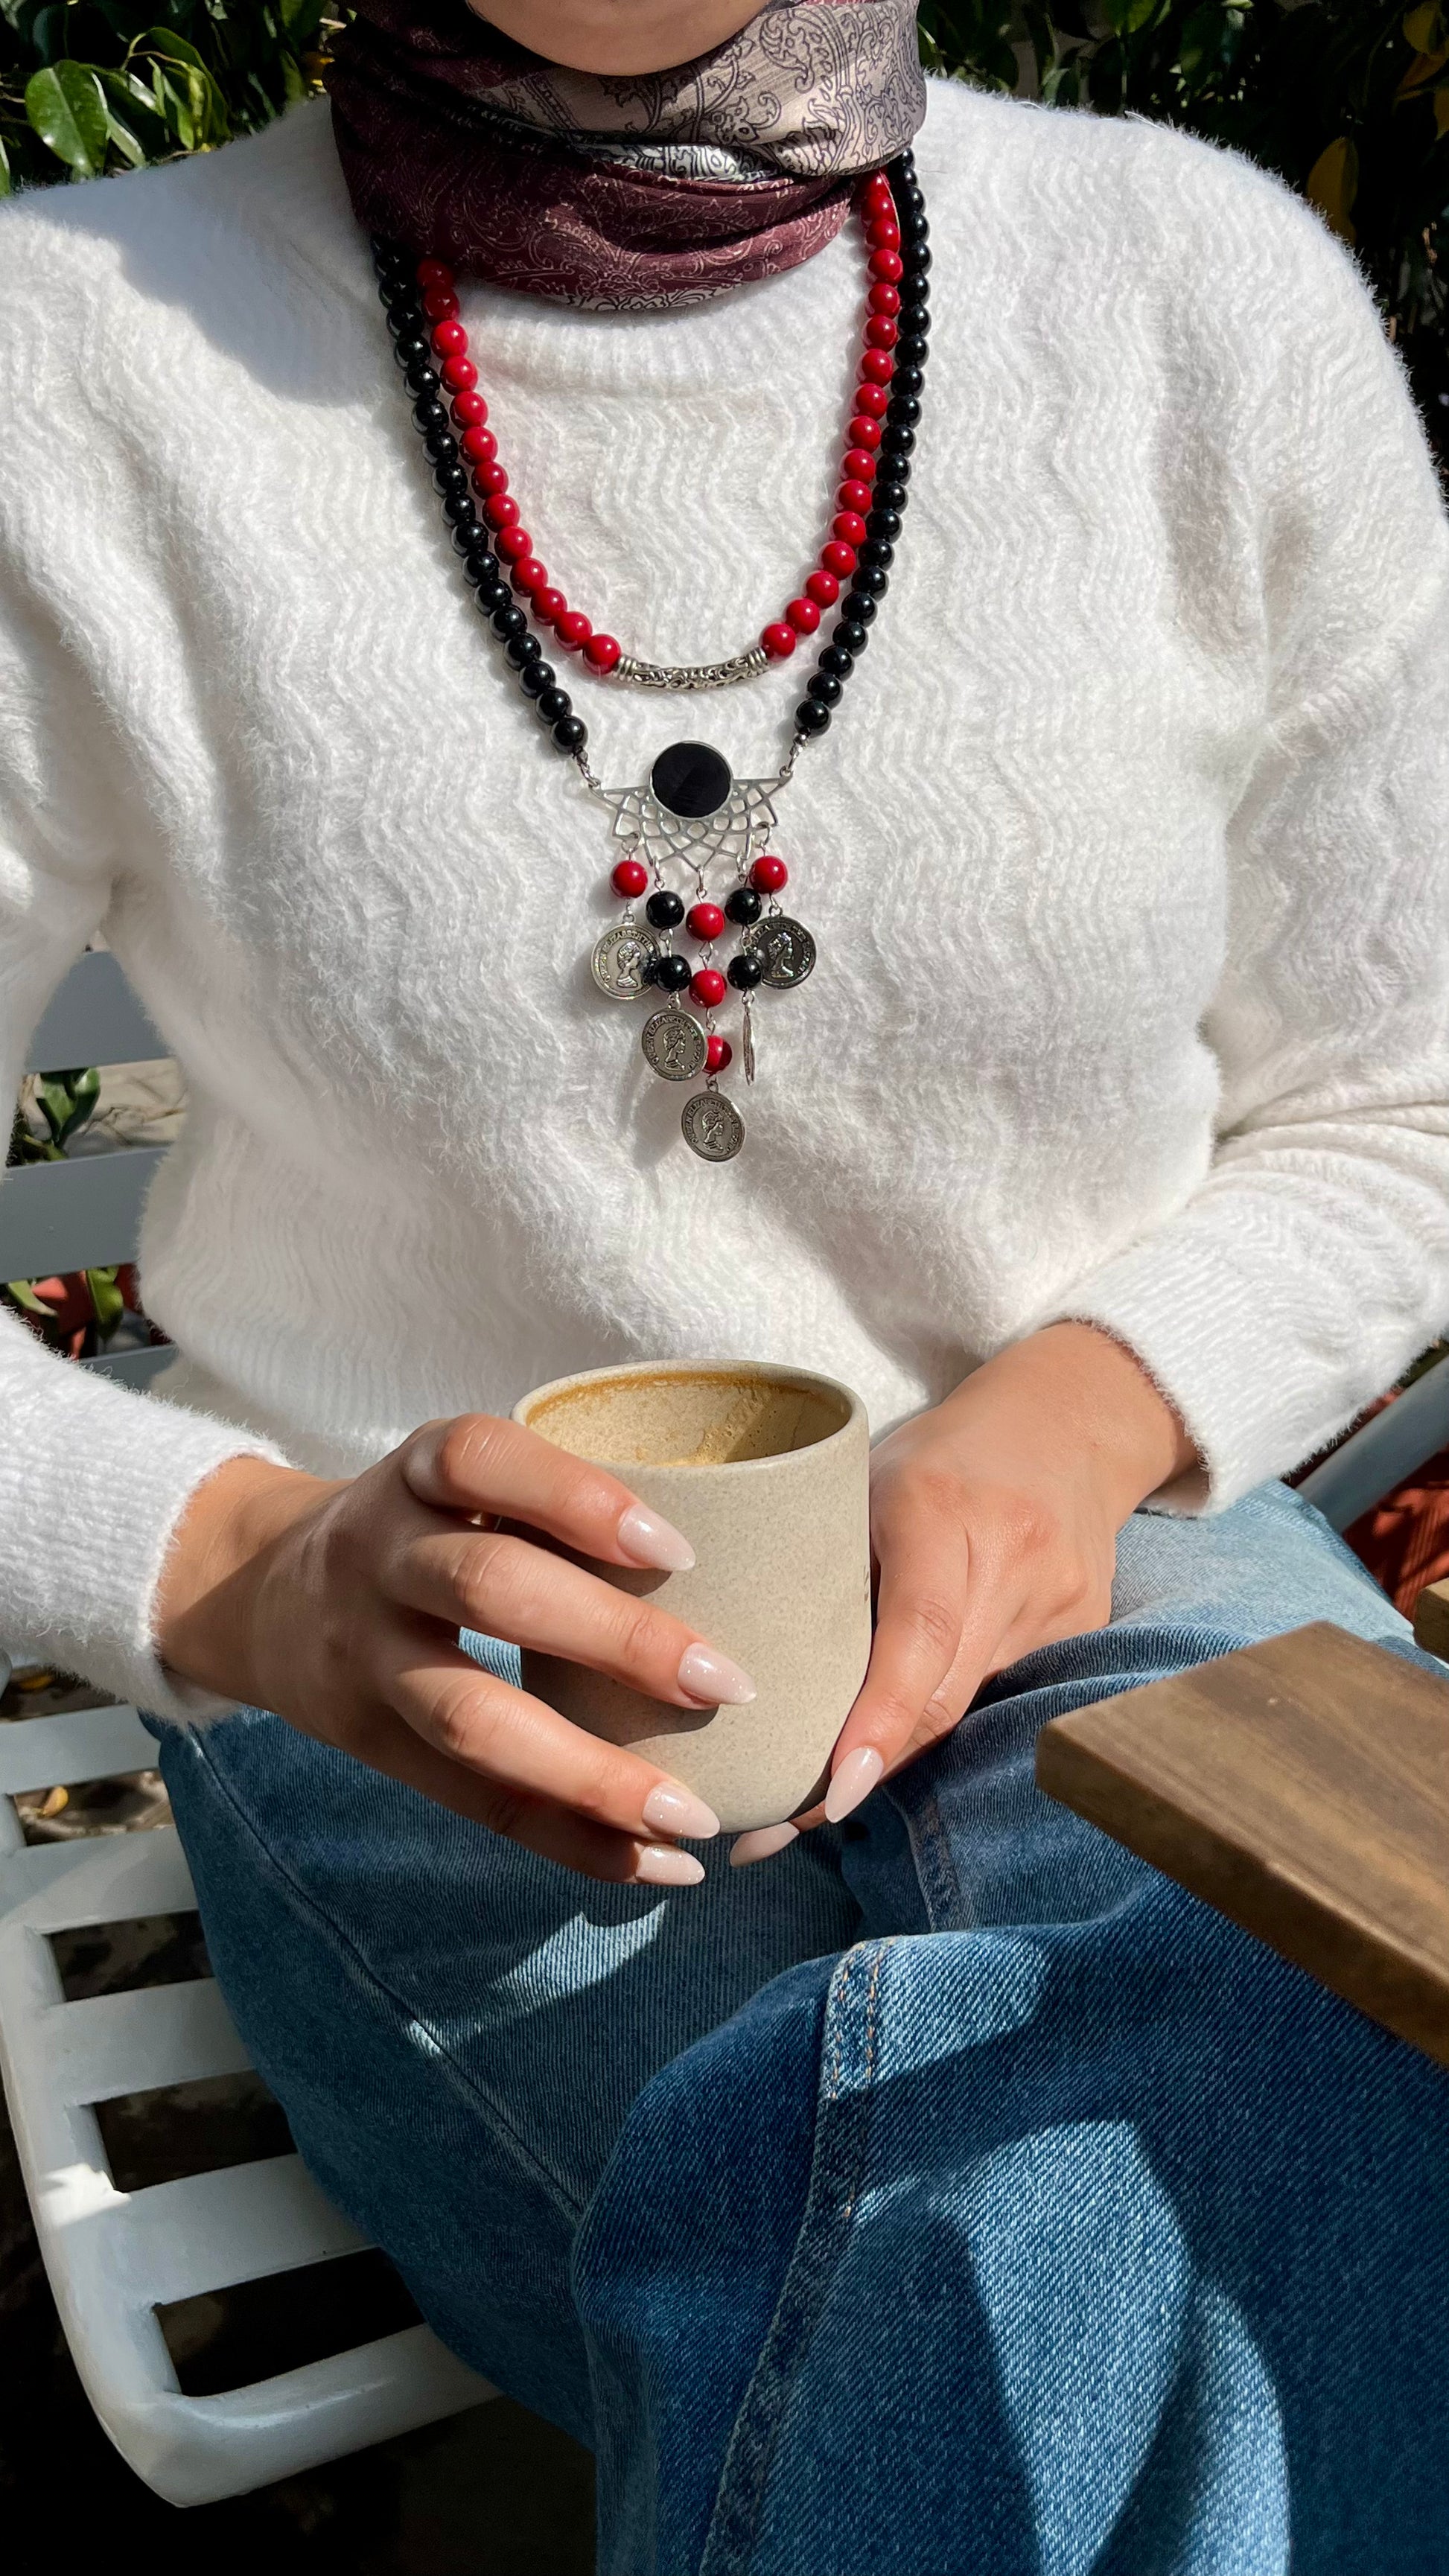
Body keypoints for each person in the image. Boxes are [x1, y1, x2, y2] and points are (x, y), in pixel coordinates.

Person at [1, 0, 1447, 2563]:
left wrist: (1083, 1409)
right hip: (421, 1657)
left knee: (1257, 2080)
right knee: (1244, 2182)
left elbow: (1408, 1083)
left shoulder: (1198, 304)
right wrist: (234, 1567)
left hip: (1125, 1565)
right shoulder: (67, 370)